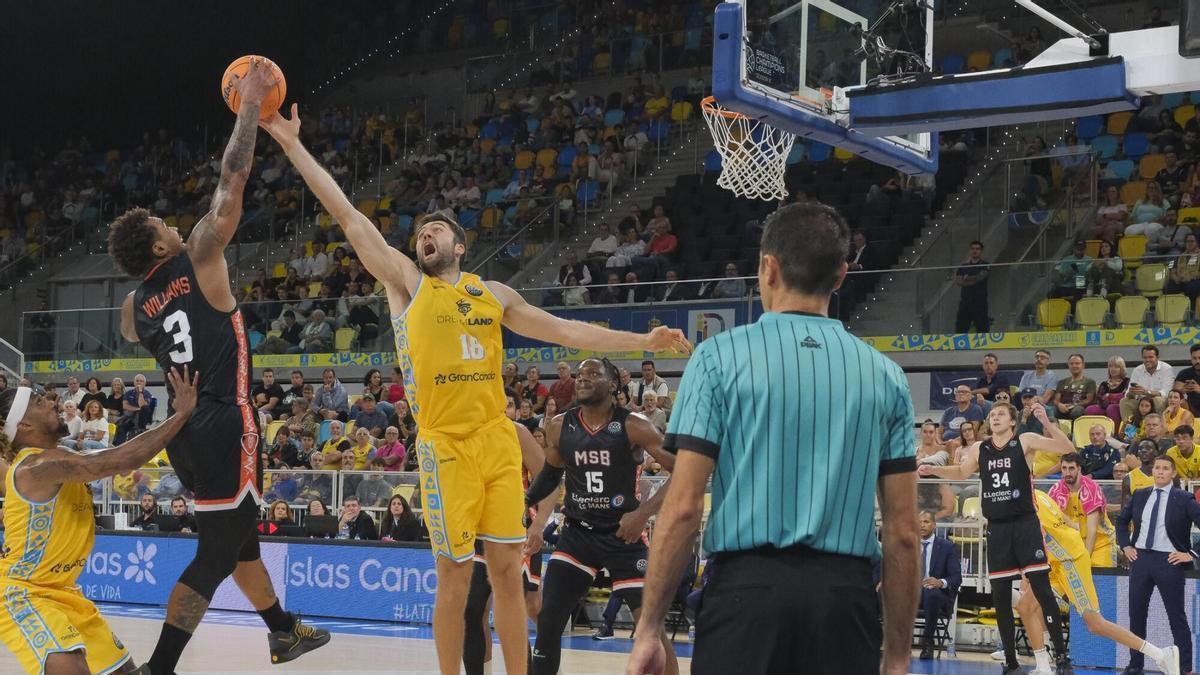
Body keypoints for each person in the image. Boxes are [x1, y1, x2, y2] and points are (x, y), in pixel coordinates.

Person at [261, 103, 690, 675]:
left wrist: (644, 340)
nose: (425, 236)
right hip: (445, 446)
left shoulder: (492, 293)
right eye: (420, 233)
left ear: (460, 246)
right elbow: (348, 217)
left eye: (436, 230)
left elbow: (566, 331)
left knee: (510, 574)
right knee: (456, 575)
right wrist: (292, 144)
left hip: (493, 441)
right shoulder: (407, 285)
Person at [626, 203, 918, 675]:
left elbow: (681, 508)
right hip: (846, 603)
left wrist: (647, 631)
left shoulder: (716, 358)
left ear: (768, 267)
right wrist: (899, 657)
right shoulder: (887, 377)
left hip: (745, 596)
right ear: (841, 276)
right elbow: (904, 535)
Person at [109, 59, 329, 674]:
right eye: (164, 227)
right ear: (159, 247)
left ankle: (281, 630)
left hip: (184, 435)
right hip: (226, 420)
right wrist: (250, 108)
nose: (176, 227)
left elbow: (135, 327)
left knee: (240, 538)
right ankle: (160, 668)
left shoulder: (132, 308)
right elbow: (232, 179)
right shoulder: (200, 254)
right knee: (214, 552)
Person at [0, 368, 196, 675]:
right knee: (73, 667)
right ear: (23, 425)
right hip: (25, 592)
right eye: (39, 401)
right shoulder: (37, 465)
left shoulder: (52, 459)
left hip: (65, 592)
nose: (53, 400)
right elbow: (119, 459)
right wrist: (180, 415)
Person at [525, 359, 679, 675]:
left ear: (612, 385)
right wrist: (523, 503)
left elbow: (683, 470)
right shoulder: (558, 425)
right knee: (549, 619)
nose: (583, 379)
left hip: (624, 535)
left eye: (593, 374)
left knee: (650, 629)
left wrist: (642, 514)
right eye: (579, 375)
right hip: (577, 534)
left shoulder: (633, 424)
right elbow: (551, 475)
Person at [919, 403, 1076, 674]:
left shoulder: (1025, 441)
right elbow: (961, 472)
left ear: (1013, 421)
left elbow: (1066, 449)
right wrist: (935, 471)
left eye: (1001, 413)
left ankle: (1061, 657)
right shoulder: (981, 448)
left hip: (1025, 524)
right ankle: (1011, 663)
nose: (995, 417)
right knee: (1001, 596)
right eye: (992, 415)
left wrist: (1046, 423)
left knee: (1040, 589)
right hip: (998, 528)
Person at [1013, 490, 1180, 675]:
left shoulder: (1027, 500)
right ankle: (1043, 668)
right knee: (1025, 605)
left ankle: (1161, 655)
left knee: (1095, 623)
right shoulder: (1035, 493)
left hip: (1070, 560)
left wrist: (1026, 573)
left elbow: (1036, 537)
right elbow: (1068, 524)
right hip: (1053, 561)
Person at [462, 392, 558, 675]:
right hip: (477, 531)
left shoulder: (516, 432)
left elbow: (550, 480)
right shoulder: (464, 434)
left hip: (514, 531)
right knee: (471, 611)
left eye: (509, 403)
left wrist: (540, 524)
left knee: (521, 609)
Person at [1116, 455, 1200, 675]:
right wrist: (1125, 546)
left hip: (1169, 561)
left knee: (1176, 617)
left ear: (1173, 473)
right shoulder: (1140, 494)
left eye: (1165, 469)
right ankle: (1135, 665)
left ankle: (1185, 668)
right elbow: (1121, 522)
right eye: (1157, 468)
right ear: (1152, 472)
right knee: (1136, 614)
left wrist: (1190, 554)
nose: (1160, 472)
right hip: (1140, 560)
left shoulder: (1184, 498)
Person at [1048, 453, 1118, 567]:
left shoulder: (1091, 488)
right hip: (1074, 543)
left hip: (1099, 543)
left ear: (1079, 469)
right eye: (1064, 468)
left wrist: (1085, 559)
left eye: (1071, 468)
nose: (1067, 473)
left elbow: (1092, 529)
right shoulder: (1056, 490)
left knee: (1100, 581)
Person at [914, 510, 961, 661]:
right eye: (919, 522)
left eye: (926, 522)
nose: (922, 525)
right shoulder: (909, 546)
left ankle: (928, 642)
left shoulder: (947, 547)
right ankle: (896, 643)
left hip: (936, 594)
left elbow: (956, 577)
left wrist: (940, 582)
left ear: (934, 525)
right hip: (913, 593)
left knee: (932, 594)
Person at [954, 240, 990, 332]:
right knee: (961, 328)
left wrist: (966, 278)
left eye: (977, 249)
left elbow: (981, 277)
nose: (975, 251)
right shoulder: (963, 266)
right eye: (973, 249)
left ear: (981, 251)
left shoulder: (984, 264)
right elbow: (959, 281)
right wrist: (972, 279)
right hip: (965, 301)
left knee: (982, 328)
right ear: (970, 251)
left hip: (980, 302)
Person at [1053, 354, 1096, 420]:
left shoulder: (1090, 382)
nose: (1074, 366)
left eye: (1077, 363)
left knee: (1077, 411)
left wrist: (1073, 406)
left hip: (1078, 408)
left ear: (1083, 365)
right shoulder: (1061, 382)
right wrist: (1059, 405)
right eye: (1071, 363)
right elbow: (1056, 400)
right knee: (1053, 410)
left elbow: (1089, 400)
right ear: (1068, 365)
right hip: (1063, 407)